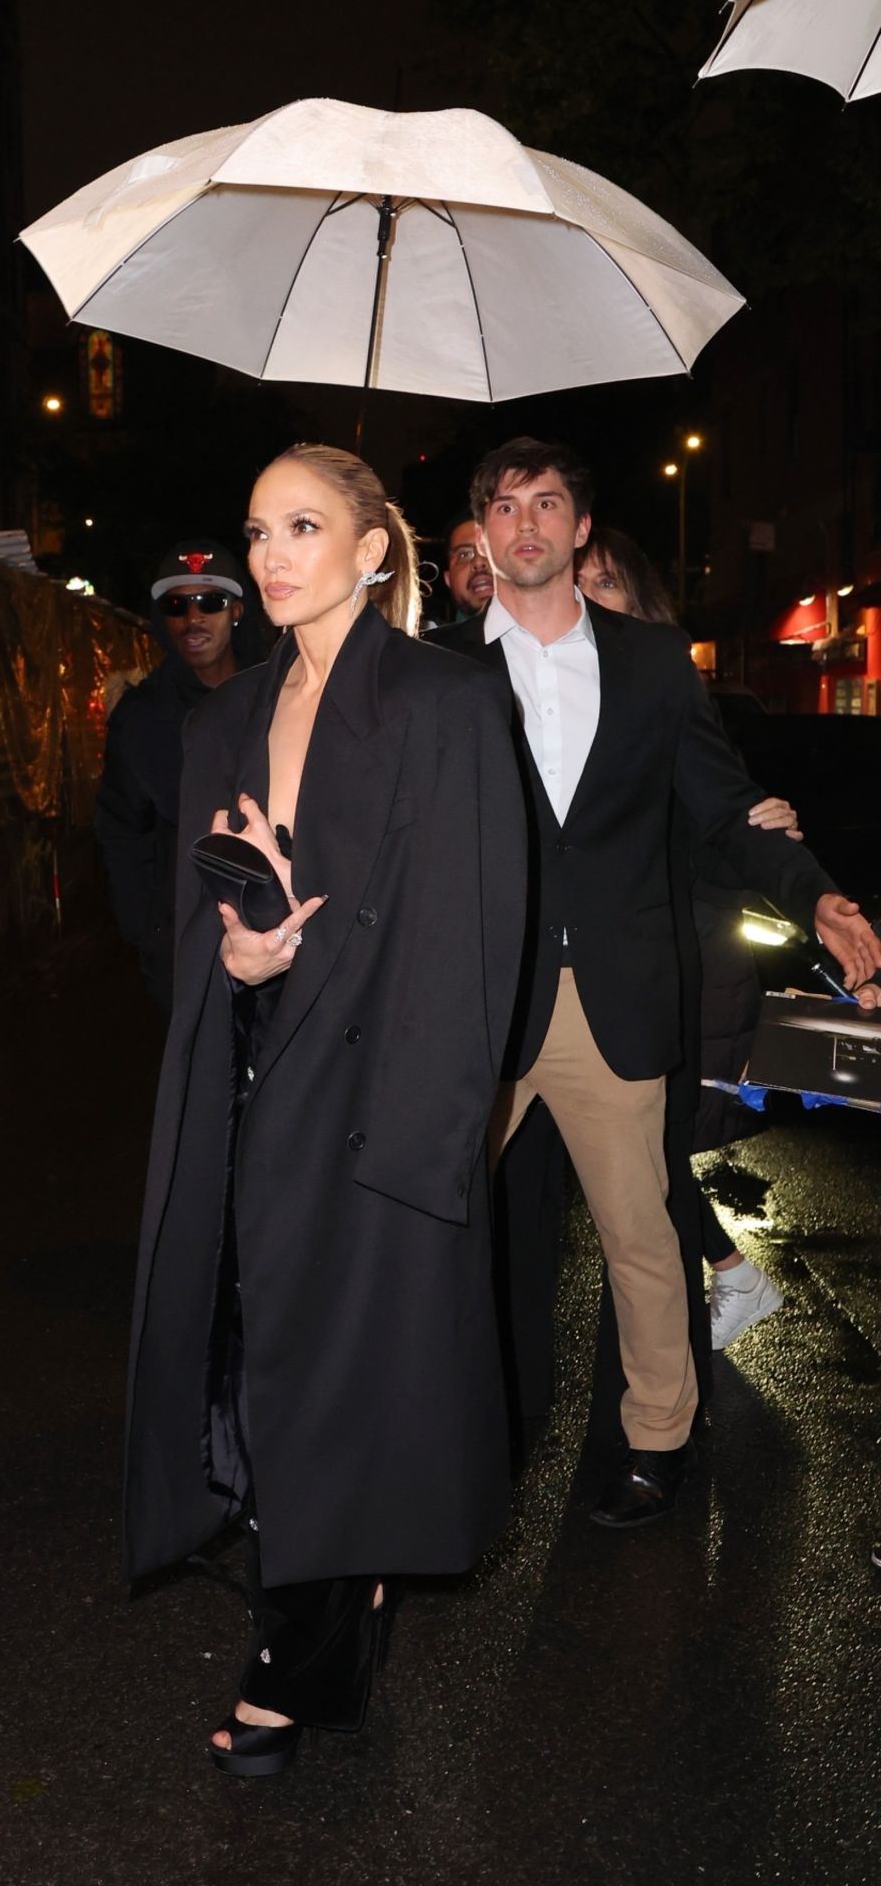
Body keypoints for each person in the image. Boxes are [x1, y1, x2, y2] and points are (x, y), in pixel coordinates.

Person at [124, 443, 527, 1776]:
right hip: (252, 1072)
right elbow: (208, 923)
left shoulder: (445, 704)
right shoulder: (221, 721)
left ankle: (296, 1664)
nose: (274, 555)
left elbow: (476, 943)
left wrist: (422, 1154)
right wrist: (238, 953)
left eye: (307, 526)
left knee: (330, 1379)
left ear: (375, 548)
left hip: (378, 1096)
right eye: (257, 532)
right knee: (261, 1363)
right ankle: (338, 1608)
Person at [444, 437, 879, 1528]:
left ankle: (657, 1441)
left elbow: (725, 810)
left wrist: (815, 895)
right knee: (430, 1226)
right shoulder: (441, 675)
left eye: (547, 503)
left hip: (616, 1001)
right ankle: (433, 1440)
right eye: (503, 507)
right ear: (482, 532)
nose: (525, 524)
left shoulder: (647, 664)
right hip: (479, 1005)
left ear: (581, 527)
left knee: (643, 1234)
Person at [576, 524, 785, 1351]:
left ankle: (731, 1279)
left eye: (609, 585)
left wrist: (762, 820)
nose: (593, 601)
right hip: (633, 948)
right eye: (580, 585)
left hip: (683, 948)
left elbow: (716, 800)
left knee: (642, 1139)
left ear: (642, 602)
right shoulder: (564, 690)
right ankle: (727, 1279)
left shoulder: (660, 686)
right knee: (627, 1139)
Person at [94, 538, 263, 1019]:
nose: (193, 618)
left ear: (236, 611)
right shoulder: (142, 716)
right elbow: (120, 829)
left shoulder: (279, 697)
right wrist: (148, 931)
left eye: (209, 602)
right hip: (181, 947)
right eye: (176, 605)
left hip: (277, 934)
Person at [430, 512, 494, 629]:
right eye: (464, 555)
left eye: (490, 550)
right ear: (448, 579)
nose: (478, 562)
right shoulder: (427, 645)